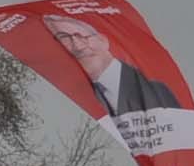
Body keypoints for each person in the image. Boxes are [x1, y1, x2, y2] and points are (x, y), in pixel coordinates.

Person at [40, 9, 183, 120]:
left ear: (103, 40)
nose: (77, 46)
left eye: (81, 37)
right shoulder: (74, 99)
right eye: (64, 38)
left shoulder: (153, 91)